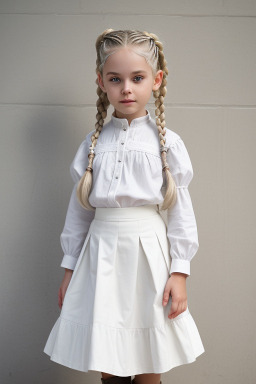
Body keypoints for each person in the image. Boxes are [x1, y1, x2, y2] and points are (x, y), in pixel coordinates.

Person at [43, 29, 205, 384]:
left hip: (148, 254)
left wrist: (180, 271)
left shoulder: (168, 144)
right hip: (100, 255)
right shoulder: (92, 143)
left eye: (137, 78)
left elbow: (180, 210)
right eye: (115, 79)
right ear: (101, 82)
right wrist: (69, 268)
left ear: (157, 80)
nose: (126, 88)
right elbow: (79, 212)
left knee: (150, 348)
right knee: (108, 351)